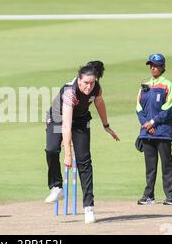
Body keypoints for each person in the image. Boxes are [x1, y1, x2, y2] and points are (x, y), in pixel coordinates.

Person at [44, 61, 120, 224]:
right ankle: (57, 187)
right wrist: (68, 154)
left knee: (85, 161)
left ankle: (88, 208)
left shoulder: (96, 88)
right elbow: (66, 124)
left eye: (92, 82)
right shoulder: (70, 92)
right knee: (51, 150)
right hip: (58, 119)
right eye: (86, 83)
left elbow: (99, 103)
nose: (89, 87)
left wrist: (106, 126)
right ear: (79, 80)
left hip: (81, 121)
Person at [136, 54, 172, 206]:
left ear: (162, 67)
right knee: (150, 167)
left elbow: (167, 109)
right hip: (147, 133)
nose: (153, 67)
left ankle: (171, 196)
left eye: (156, 65)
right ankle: (149, 196)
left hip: (163, 132)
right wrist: (146, 124)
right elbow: (138, 108)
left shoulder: (168, 85)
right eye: (151, 65)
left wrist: (152, 122)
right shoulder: (144, 86)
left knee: (166, 165)